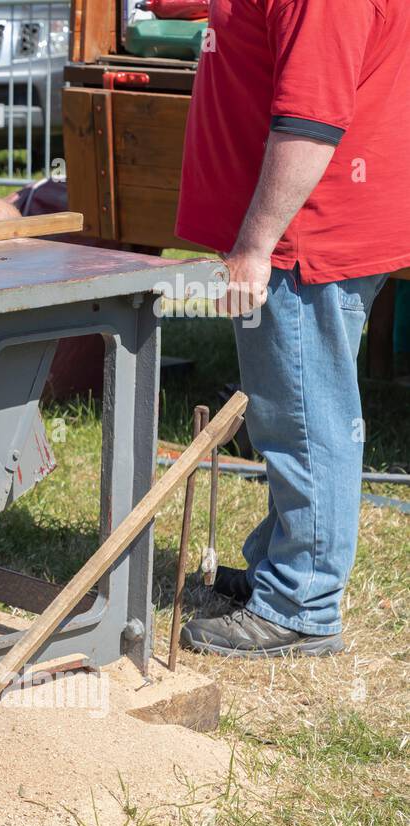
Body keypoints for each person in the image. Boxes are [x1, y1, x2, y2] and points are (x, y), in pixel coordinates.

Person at [174, 0, 410, 656]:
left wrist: (256, 243)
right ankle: (283, 571)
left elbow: (313, 118)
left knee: (304, 418)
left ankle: (301, 602)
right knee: (293, 411)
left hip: (308, 237)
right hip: (306, 232)